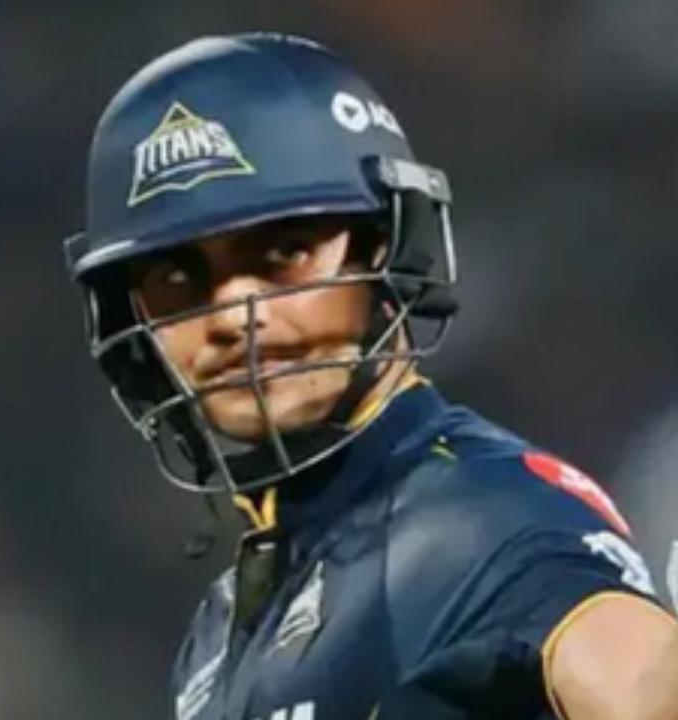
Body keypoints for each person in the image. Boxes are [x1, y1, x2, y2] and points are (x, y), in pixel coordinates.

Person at [62, 33, 678, 719]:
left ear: (384, 250)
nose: (233, 315)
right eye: (178, 280)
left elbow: (642, 686)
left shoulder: (479, 518)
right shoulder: (216, 636)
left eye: (285, 252)